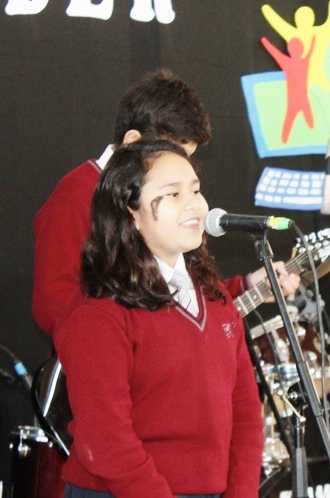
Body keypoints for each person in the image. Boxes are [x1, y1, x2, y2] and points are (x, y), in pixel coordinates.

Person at [32, 69, 297, 498]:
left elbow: (242, 407)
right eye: (172, 190)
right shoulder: (90, 260)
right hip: (132, 491)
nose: (195, 204)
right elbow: (71, 326)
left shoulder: (209, 295)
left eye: (195, 185)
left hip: (205, 497)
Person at [33, 68, 298, 340]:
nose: (182, 169)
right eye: (171, 155)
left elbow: (181, 292)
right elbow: (53, 305)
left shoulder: (175, 198)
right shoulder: (75, 196)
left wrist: (246, 286)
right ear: (132, 142)